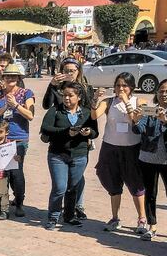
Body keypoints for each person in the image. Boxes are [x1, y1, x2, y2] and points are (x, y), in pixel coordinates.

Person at [91, 72, 147, 233]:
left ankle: (142, 219)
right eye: (118, 85)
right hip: (110, 147)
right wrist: (95, 99)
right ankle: (115, 218)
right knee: (112, 182)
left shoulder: (140, 101)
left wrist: (126, 101)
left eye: (124, 85)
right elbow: (94, 115)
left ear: (131, 87)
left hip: (131, 148)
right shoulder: (108, 102)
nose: (120, 88)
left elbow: (135, 119)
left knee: (136, 183)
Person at [40, 82, 99, 230]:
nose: (66, 98)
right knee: (59, 187)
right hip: (57, 155)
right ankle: (53, 217)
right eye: (64, 95)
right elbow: (45, 128)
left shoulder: (86, 112)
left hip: (79, 155)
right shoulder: (56, 110)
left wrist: (88, 132)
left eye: (70, 95)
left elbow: (95, 132)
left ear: (79, 97)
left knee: (72, 188)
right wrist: (66, 132)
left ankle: (69, 216)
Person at [0, 62, 35, 217]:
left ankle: (19, 202)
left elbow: (30, 115)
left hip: (18, 139)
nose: (10, 79)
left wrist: (15, 106)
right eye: (7, 76)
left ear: (19, 78)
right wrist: (4, 107)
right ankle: (2, 204)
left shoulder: (26, 93)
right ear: (3, 77)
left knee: (16, 173)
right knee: (0, 172)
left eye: (14, 76)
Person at [131, 79, 167, 240]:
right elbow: (138, 129)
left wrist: (165, 121)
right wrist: (136, 119)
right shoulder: (150, 110)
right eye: (161, 91)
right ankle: (152, 226)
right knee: (150, 194)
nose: (164, 94)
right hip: (148, 158)